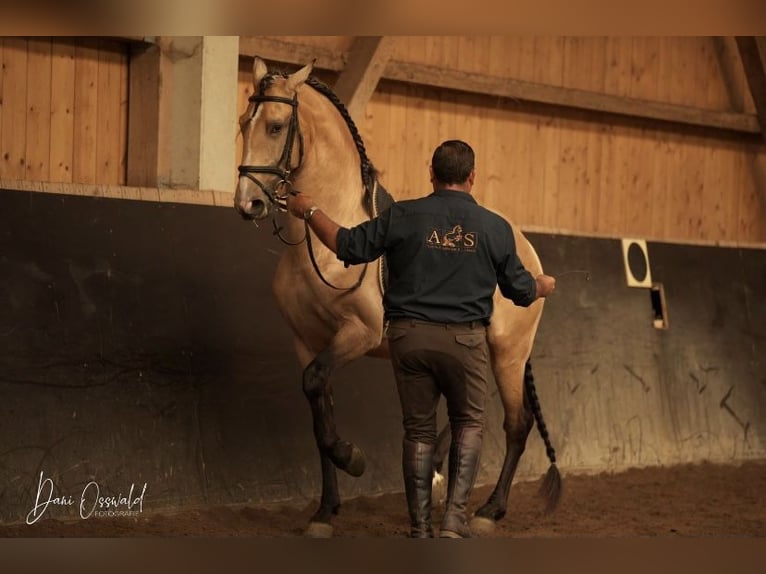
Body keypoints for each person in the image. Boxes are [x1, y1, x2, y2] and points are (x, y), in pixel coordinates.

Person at [287, 140, 555, 538]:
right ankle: (453, 521)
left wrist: (307, 209)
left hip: (409, 341)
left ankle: (421, 528)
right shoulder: (494, 228)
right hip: (464, 344)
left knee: (417, 433)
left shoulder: (402, 215)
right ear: (472, 177)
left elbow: (345, 245)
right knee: (467, 426)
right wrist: (541, 285)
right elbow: (519, 292)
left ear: (431, 172)